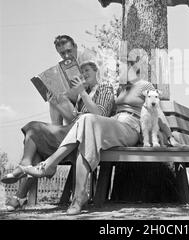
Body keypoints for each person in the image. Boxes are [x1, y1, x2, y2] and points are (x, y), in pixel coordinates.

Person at [21, 58, 177, 215]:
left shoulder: (145, 85)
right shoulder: (122, 89)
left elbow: (158, 112)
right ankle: (79, 196)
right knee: (85, 127)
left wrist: (170, 136)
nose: (117, 71)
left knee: (86, 119)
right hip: (113, 125)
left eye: (119, 67)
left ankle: (49, 165)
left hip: (130, 127)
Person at [1, 59, 114, 211]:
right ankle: (25, 171)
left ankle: (20, 191)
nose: (84, 74)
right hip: (72, 131)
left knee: (35, 133)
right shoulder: (83, 93)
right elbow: (73, 117)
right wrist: (56, 101)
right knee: (34, 131)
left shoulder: (105, 87)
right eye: (82, 72)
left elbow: (100, 115)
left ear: (96, 72)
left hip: (87, 134)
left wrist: (80, 91)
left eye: (87, 70)